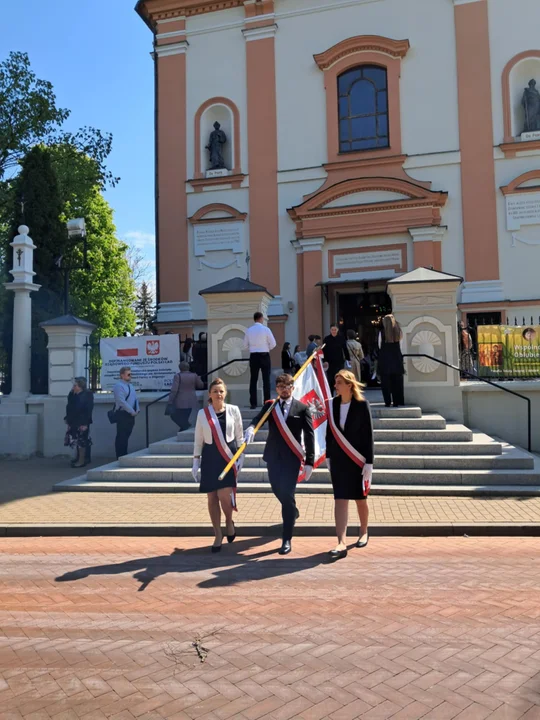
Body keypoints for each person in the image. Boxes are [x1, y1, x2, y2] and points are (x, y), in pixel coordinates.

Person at [244, 374, 314, 555]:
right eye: (281, 386)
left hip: (292, 458)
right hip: (273, 457)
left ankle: (286, 538)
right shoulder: (270, 406)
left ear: (293, 388)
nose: (284, 389)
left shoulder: (302, 408)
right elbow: (258, 419)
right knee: (277, 490)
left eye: (287, 386)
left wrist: (310, 461)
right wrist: (251, 427)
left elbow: (309, 435)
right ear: (276, 389)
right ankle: (293, 510)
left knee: (287, 494)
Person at [326, 370, 374, 561]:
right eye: (335, 382)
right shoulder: (332, 404)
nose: (335, 386)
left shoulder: (362, 405)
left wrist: (369, 462)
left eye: (339, 382)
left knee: (360, 499)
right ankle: (341, 541)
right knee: (340, 499)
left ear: (349, 385)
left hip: (357, 459)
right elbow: (329, 432)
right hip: (338, 460)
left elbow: (368, 435)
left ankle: (363, 531)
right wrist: (328, 456)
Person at [192, 378, 244, 552]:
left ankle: (229, 521)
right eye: (215, 391)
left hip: (227, 457)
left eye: (221, 391)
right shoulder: (203, 414)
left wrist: (241, 456)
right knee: (212, 498)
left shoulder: (233, 410)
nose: (218, 394)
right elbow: (198, 438)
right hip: (210, 457)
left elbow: (239, 436)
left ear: (225, 393)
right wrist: (196, 460)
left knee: (224, 496)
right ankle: (217, 534)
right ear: (209, 394)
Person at [243, 311, 277, 409]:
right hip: (264, 355)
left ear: (254, 319)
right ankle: (267, 402)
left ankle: (253, 403)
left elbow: (244, 345)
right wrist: (266, 348)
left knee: (253, 380)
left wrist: (253, 348)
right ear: (261, 318)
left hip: (254, 356)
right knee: (266, 380)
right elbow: (273, 344)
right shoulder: (266, 329)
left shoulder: (249, 330)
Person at [64, 377, 94, 468]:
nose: (73, 387)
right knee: (77, 440)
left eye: (75, 385)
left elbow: (86, 409)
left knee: (82, 441)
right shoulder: (74, 394)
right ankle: (79, 458)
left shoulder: (86, 395)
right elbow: (70, 405)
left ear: (80, 386)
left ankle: (82, 460)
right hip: (75, 421)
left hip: (82, 421)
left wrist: (84, 422)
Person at [167, 361, 204, 431]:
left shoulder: (177, 376)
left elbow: (174, 390)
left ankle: (186, 426)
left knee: (174, 416)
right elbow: (201, 386)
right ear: (188, 367)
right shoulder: (194, 375)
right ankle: (185, 427)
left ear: (180, 368)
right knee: (185, 417)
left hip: (180, 401)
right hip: (191, 400)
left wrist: (170, 401)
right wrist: (199, 379)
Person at [378, 314, 404, 408]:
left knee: (385, 382)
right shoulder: (399, 332)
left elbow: (379, 346)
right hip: (396, 359)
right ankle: (396, 401)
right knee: (396, 382)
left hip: (385, 359)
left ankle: (387, 401)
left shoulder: (382, 333)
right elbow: (401, 347)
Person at [113, 367, 139, 459]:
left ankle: (124, 454)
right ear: (122, 375)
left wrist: (137, 409)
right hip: (123, 414)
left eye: (131, 374)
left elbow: (135, 399)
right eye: (128, 374)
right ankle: (120, 456)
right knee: (121, 436)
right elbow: (121, 401)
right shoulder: (118, 386)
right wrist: (131, 411)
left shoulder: (130, 386)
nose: (130, 376)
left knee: (127, 435)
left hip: (131, 415)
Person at [323, 324, 350, 392]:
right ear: (330, 330)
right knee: (330, 380)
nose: (333, 331)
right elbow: (324, 351)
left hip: (339, 362)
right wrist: (325, 360)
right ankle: (331, 395)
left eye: (335, 330)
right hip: (330, 362)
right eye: (332, 330)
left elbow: (345, 349)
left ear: (337, 330)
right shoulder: (326, 339)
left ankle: (340, 394)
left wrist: (348, 359)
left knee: (339, 379)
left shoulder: (341, 338)